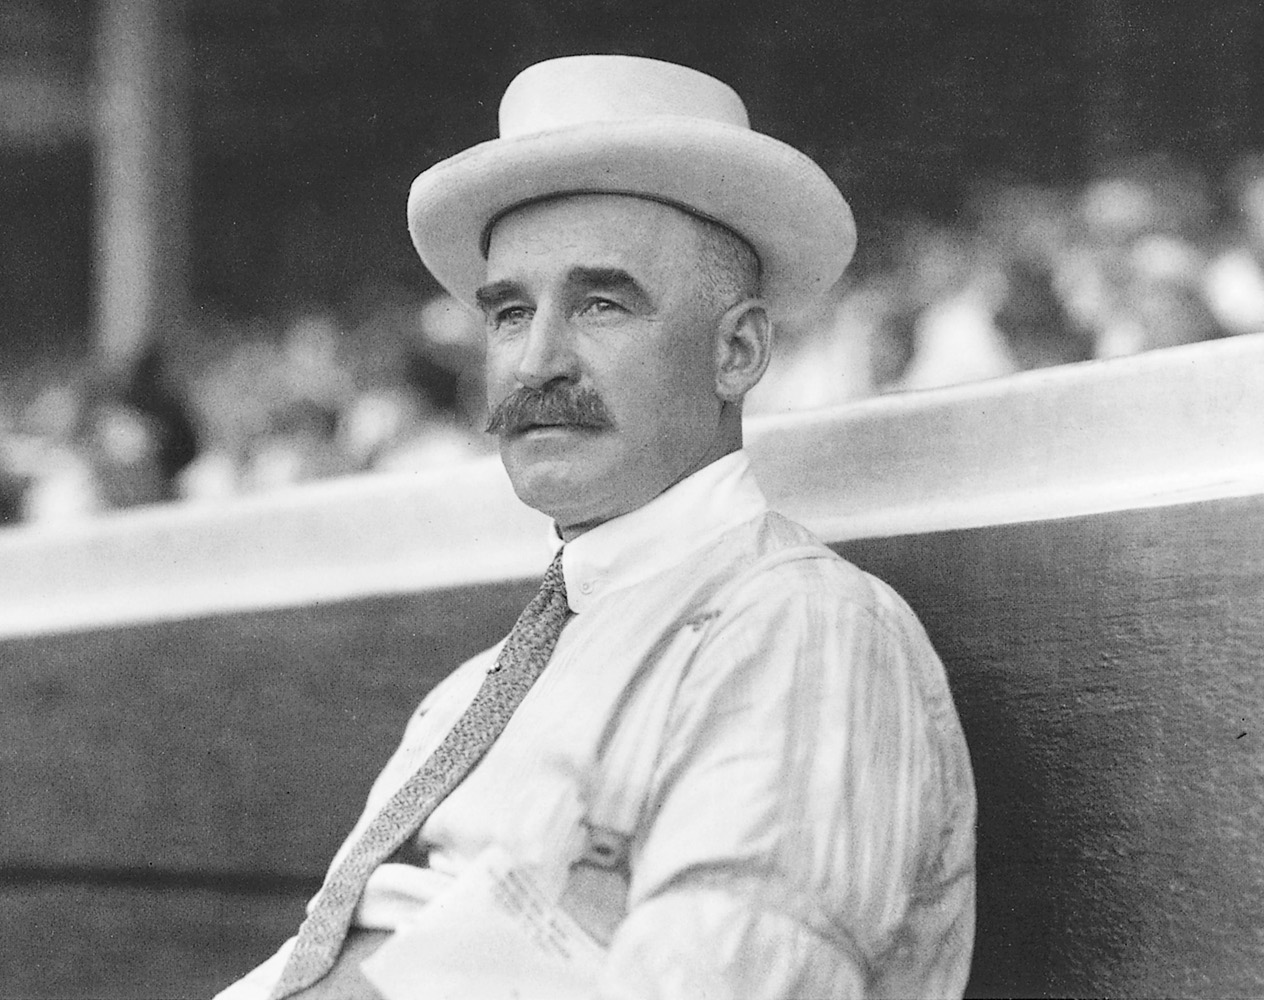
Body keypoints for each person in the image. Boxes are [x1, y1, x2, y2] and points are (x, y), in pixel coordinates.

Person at [217, 54, 976, 1000]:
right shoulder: (469, 693)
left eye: (602, 304)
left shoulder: (802, 631)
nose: (537, 361)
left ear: (737, 349)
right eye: (509, 313)